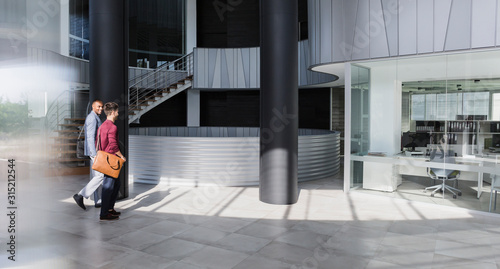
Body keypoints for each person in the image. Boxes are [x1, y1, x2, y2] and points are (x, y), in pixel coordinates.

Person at [97, 102, 126, 220]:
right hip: (111, 160)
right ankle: (104, 213)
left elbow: (97, 143)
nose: (118, 113)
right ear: (113, 112)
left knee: (116, 184)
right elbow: (114, 146)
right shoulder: (112, 127)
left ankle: (109, 209)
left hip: (105, 159)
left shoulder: (102, 125)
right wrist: (121, 156)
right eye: (117, 111)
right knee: (108, 187)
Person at [73, 100, 104, 210]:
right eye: (98, 106)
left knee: (97, 176)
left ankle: (98, 201)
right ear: (93, 106)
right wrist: (94, 154)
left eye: (102, 107)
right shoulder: (92, 118)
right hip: (94, 151)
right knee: (100, 176)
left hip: (95, 151)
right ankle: (80, 195)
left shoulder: (94, 116)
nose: (101, 109)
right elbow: (90, 137)